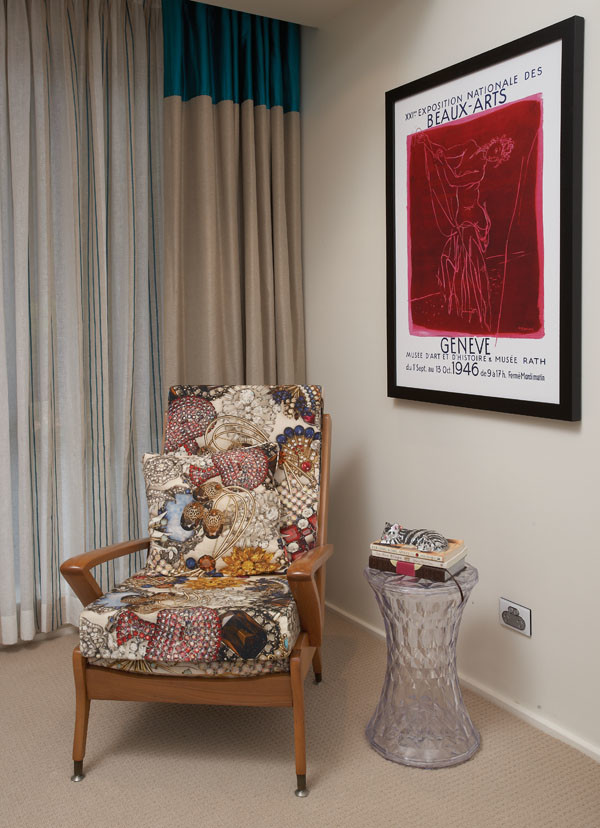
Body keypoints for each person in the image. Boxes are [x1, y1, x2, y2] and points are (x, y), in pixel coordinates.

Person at [417, 131, 514, 331]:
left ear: (496, 160)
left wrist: (442, 163)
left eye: (497, 156)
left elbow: (454, 180)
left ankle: (477, 308)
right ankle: (463, 306)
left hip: (471, 218)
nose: (493, 155)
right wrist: (430, 145)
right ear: (492, 142)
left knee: (470, 261)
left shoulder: (480, 172)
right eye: (495, 149)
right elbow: (446, 153)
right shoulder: (469, 145)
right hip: (461, 217)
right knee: (459, 259)